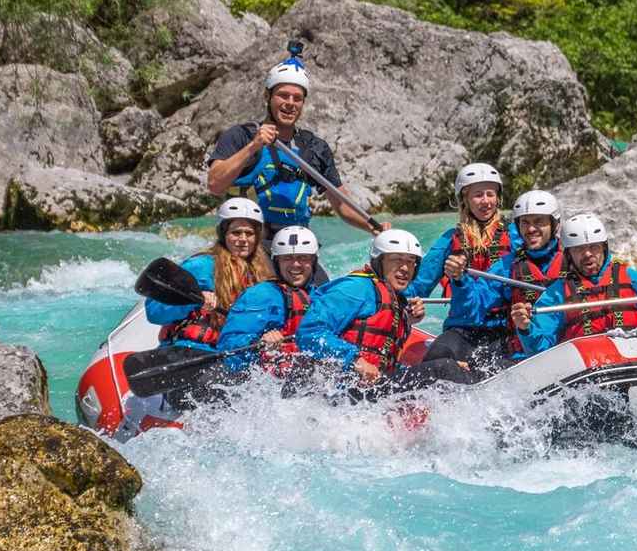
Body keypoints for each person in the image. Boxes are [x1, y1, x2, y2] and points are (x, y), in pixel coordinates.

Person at [204, 45, 382, 245]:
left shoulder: (315, 147)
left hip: (294, 250)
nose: (290, 103)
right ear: (267, 97)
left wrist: (374, 228)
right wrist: (253, 146)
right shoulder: (241, 135)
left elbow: (343, 205)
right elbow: (214, 185)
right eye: (283, 95)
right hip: (248, 247)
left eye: (297, 98)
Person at [295, 229, 478, 398]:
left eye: (410, 262)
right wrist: (354, 360)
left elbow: (383, 359)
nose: (405, 268)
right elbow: (309, 333)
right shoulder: (355, 288)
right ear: (379, 262)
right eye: (397, 260)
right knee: (443, 368)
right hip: (341, 391)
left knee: (448, 366)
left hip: (372, 389)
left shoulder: (394, 299)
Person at [517, 213, 637, 354]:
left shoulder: (635, 280)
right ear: (569, 255)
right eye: (579, 249)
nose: (587, 254)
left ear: (604, 248)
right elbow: (540, 350)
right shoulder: (556, 294)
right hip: (589, 372)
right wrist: (525, 328)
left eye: (594, 247)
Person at [407, 162, 517, 369]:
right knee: (438, 356)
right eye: (478, 195)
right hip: (463, 327)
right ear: (464, 199)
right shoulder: (450, 240)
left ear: (498, 197)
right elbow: (418, 286)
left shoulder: (516, 237)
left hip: (504, 328)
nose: (486, 201)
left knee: (489, 366)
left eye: (490, 194)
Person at [145, 197, 274, 352]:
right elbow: (153, 312)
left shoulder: (263, 272)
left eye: (249, 233)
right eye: (236, 233)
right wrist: (194, 301)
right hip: (189, 349)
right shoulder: (201, 266)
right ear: (223, 234)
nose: (243, 239)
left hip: (231, 353)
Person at [208, 225, 321, 377]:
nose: (295, 264)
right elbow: (228, 345)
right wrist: (258, 343)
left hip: (311, 378)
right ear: (276, 262)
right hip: (267, 382)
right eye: (287, 258)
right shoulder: (260, 296)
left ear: (314, 262)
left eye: (303, 258)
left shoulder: (323, 297)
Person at [465, 189, 562, 364]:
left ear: (554, 224)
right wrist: (460, 281)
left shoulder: (575, 260)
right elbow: (473, 306)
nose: (531, 229)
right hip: (523, 356)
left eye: (539, 221)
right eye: (525, 223)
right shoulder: (506, 266)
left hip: (569, 350)